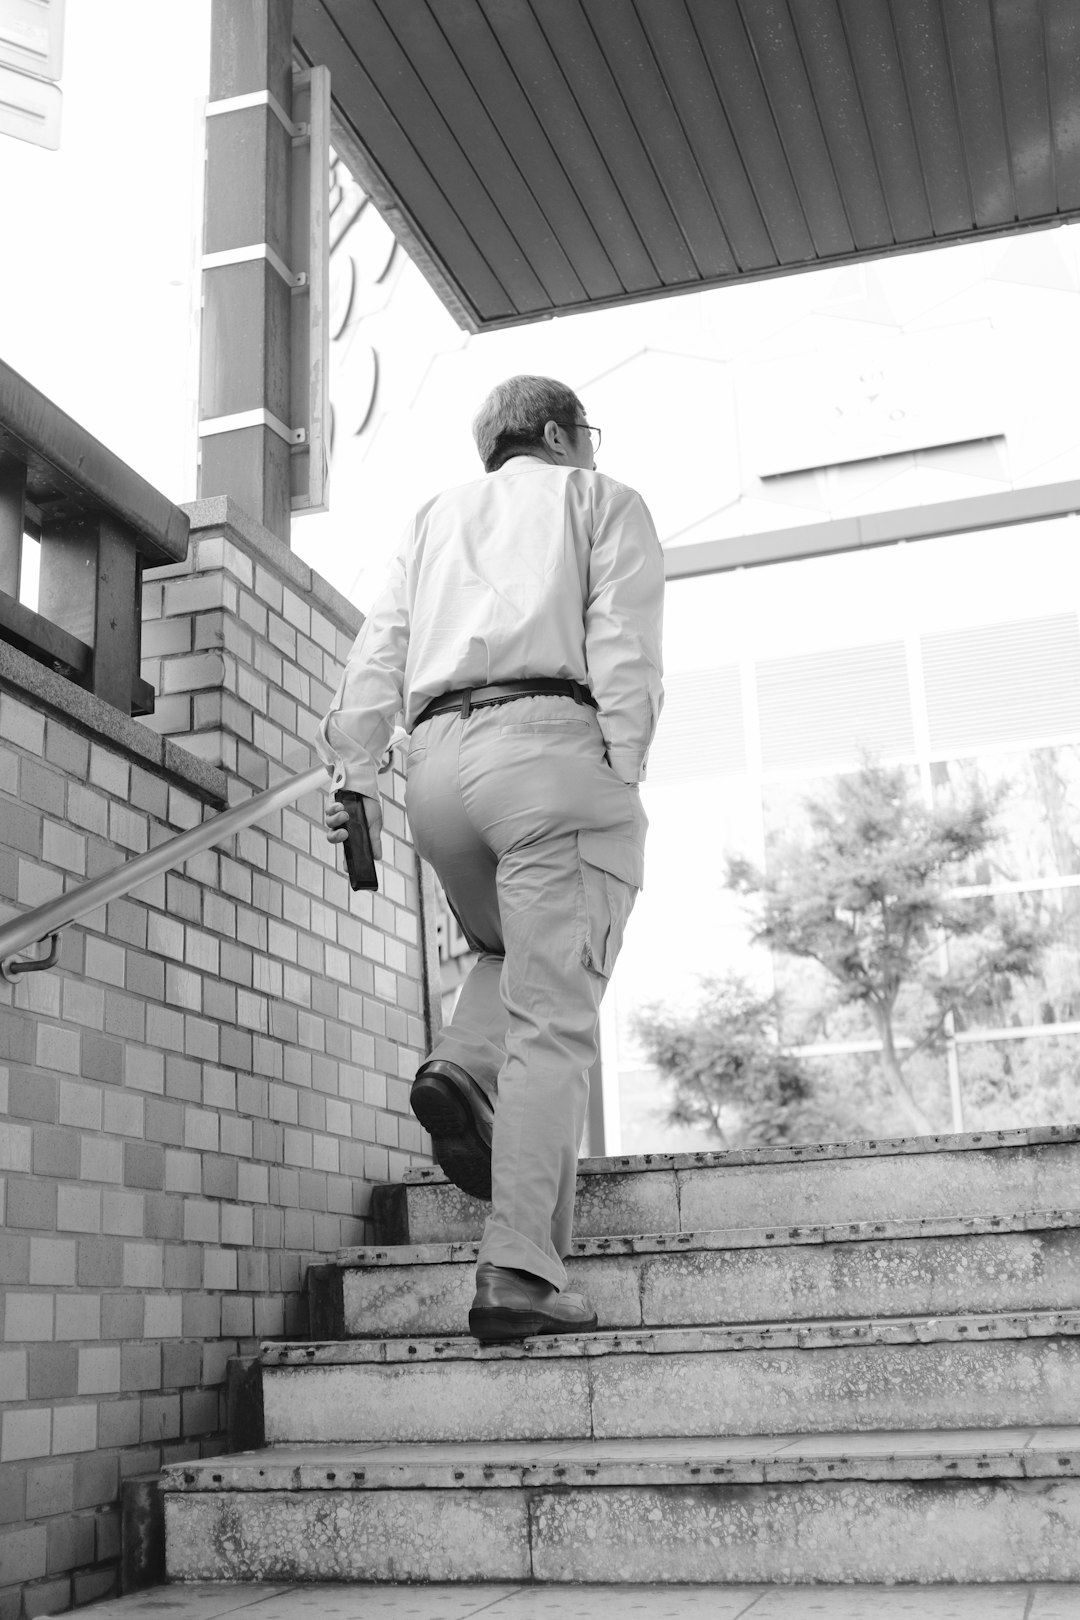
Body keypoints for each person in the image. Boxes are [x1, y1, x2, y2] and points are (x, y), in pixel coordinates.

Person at [316, 374, 664, 1341]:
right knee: (555, 1021)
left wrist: (353, 776)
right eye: (586, 433)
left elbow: (379, 647)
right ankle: (520, 1272)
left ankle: (465, 1069)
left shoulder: (434, 518)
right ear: (557, 432)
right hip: (549, 751)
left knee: (508, 950)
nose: (591, 447)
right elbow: (626, 644)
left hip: (435, 771)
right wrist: (618, 769)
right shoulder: (601, 500)